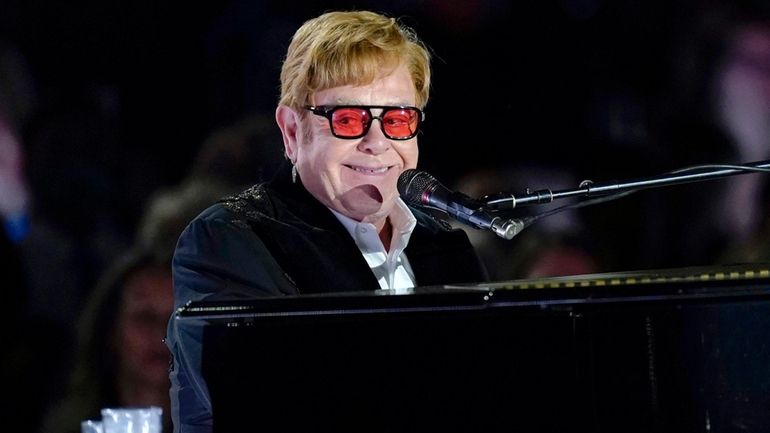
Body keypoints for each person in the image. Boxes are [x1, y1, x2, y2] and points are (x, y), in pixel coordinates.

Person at [166, 10, 489, 433]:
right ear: (291, 131)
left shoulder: (445, 248)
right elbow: (271, 404)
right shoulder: (231, 239)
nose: (377, 143)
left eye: (396, 120)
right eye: (349, 120)